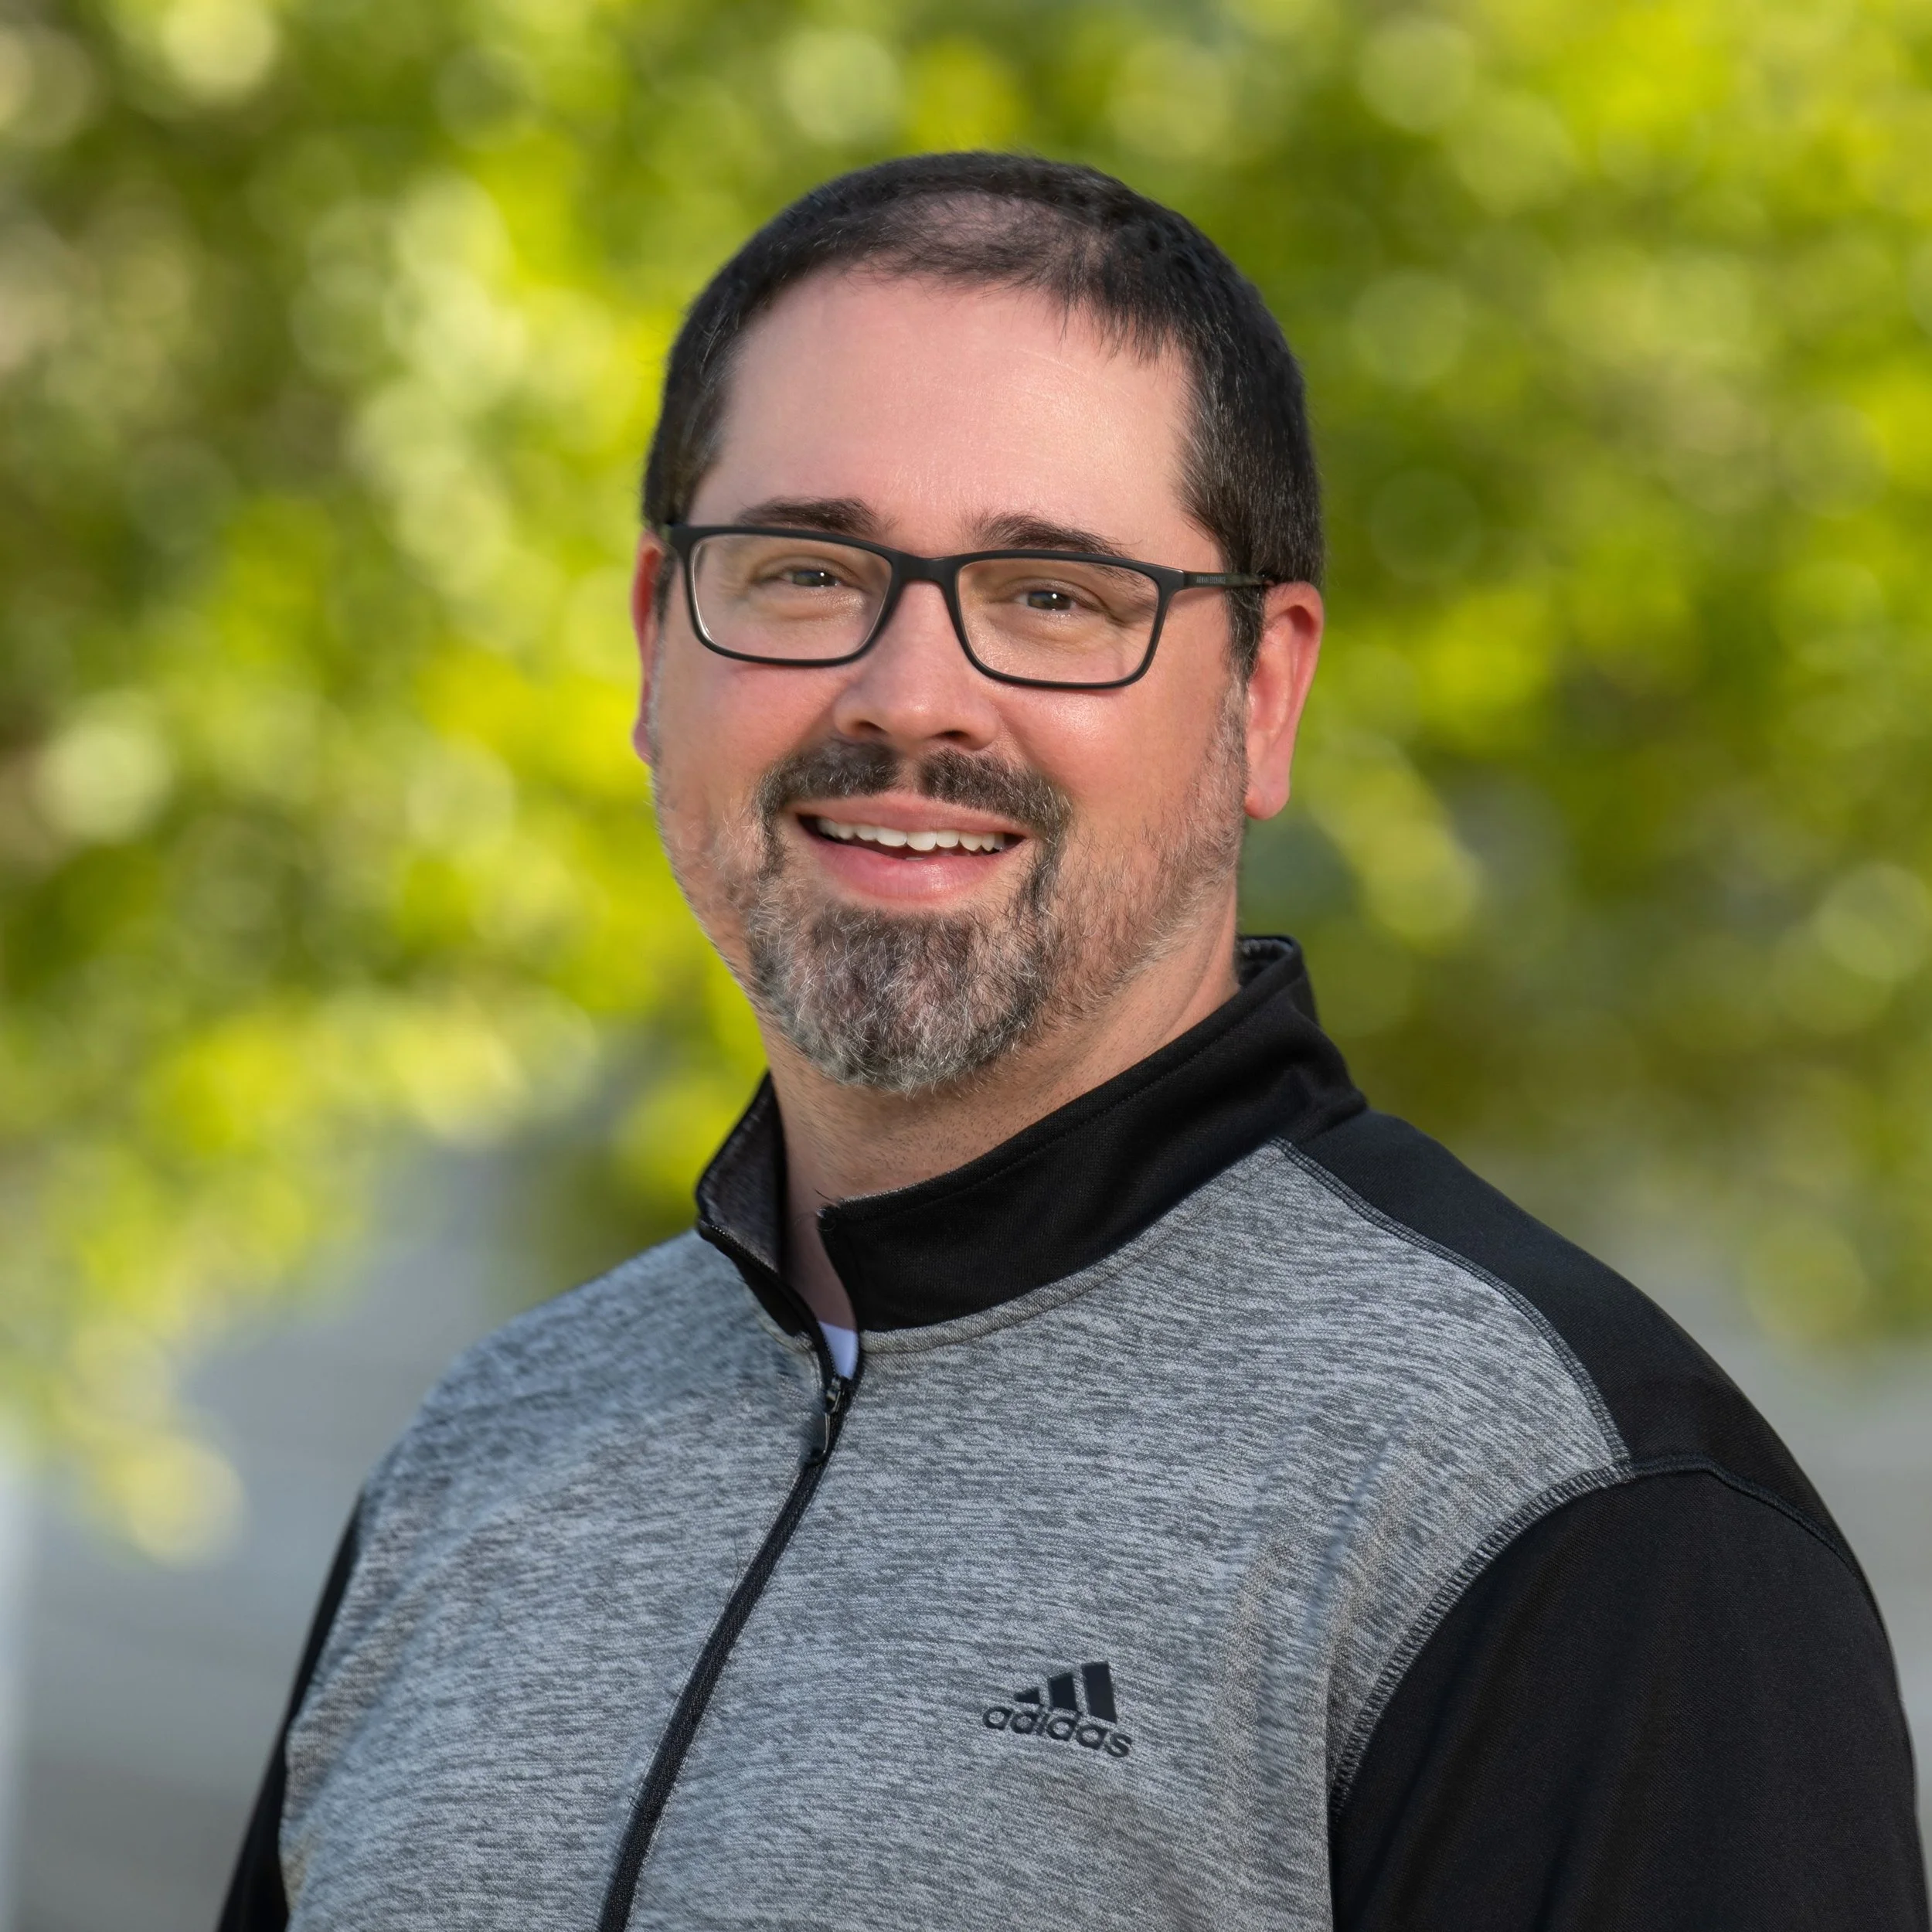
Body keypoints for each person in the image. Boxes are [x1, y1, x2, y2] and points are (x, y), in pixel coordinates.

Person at [220, 153, 1928, 1932]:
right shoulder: (484, 1454)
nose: (907, 689)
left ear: (1260, 693)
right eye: (806, 569)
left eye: (1051, 594)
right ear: (657, 639)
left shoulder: (1579, 1530)